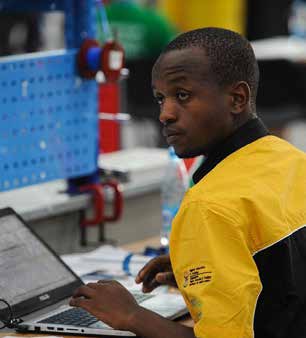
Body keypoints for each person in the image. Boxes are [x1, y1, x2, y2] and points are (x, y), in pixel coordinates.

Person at [69, 27, 306, 338]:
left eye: (182, 96)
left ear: (237, 99)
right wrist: (206, 267)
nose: (165, 114)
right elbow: (283, 273)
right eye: (159, 98)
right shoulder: (291, 158)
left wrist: (131, 315)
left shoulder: (208, 206)